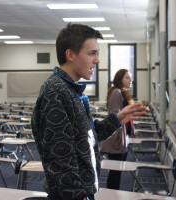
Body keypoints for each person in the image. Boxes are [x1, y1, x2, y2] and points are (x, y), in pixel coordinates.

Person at [31, 23, 148, 200]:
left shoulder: (70, 91)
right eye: (91, 53)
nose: (97, 60)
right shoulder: (56, 92)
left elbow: (86, 137)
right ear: (70, 54)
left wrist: (117, 119)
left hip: (81, 191)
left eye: (97, 53)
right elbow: (60, 162)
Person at [100, 69, 134, 190]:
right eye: (127, 78)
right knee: (115, 172)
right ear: (120, 79)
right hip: (116, 138)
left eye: (131, 78)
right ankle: (111, 195)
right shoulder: (117, 92)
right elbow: (114, 117)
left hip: (121, 136)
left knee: (117, 171)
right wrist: (120, 140)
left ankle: (112, 194)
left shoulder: (122, 92)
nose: (131, 80)